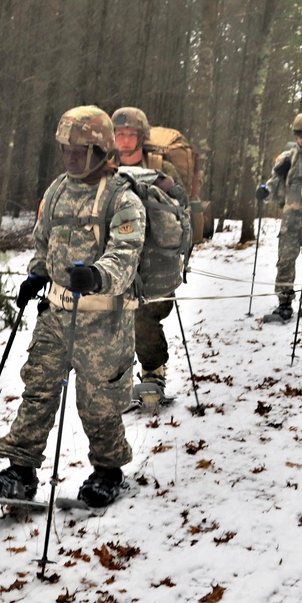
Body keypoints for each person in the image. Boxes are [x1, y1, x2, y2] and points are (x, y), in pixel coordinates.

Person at [0, 106, 144, 508]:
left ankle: (107, 470)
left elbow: (125, 257)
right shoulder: (56, 190)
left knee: (99, 404)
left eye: (79, 150)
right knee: (38, 388)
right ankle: (20, 470)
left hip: (103, 320)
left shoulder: (122, 199)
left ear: (100, 150)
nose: (70, 157)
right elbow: (44, 243)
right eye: (66, 149)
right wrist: (37, 275)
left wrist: (96, 275)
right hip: (56, 315)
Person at [111, 106, 191, 402]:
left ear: (142, 137)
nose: (125, 140)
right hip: (115, 257)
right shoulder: (102, 167)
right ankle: (115, 376)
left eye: (131, 134)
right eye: (120, 134)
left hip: (155, 261)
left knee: (144, 320)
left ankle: (153, 371)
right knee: (112, 319)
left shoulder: (163, 168)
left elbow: (180, 209)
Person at [257, 112, 302, 322]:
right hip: (290, 216)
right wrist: (265, 192)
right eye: (299, 134)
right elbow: (275, 181)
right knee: (285, 260)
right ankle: (284, 302)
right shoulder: (288, 156)